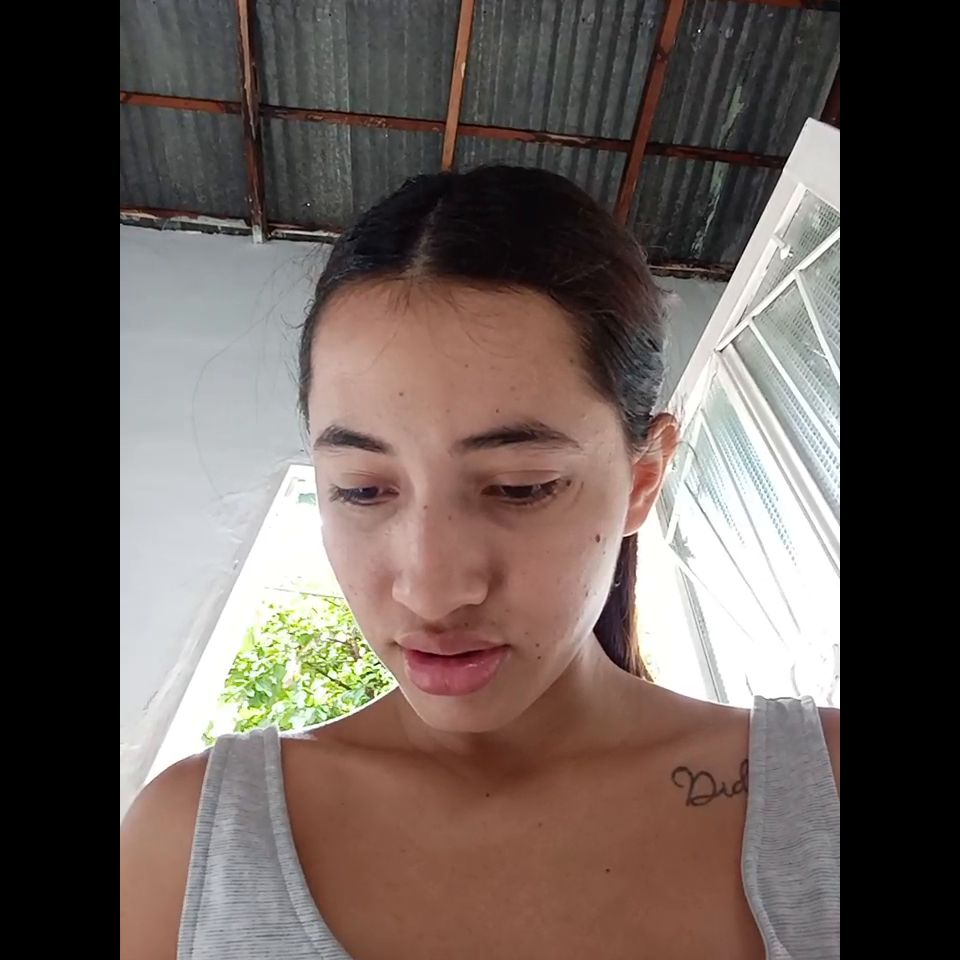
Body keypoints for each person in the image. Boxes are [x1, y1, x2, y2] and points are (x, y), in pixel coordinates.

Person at [120, 166, 839, 960]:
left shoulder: (823, 797)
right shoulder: (190, 844)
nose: (431, 590)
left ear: (642, 479)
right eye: (362, 490)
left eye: (520, 487)